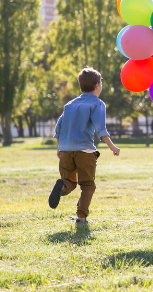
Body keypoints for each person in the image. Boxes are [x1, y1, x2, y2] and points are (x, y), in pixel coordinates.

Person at [48, 67, 120, 225]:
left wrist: (59, 148)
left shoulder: (70, 104)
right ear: (96, 85)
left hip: (66, 150)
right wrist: (113, 147)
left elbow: (58, 128)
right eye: (101, 83)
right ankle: (81, 218)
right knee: (87, 185)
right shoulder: (97, 104)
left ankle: (62, 186)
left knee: (69, 182)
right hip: (85, 151)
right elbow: (101, 130)